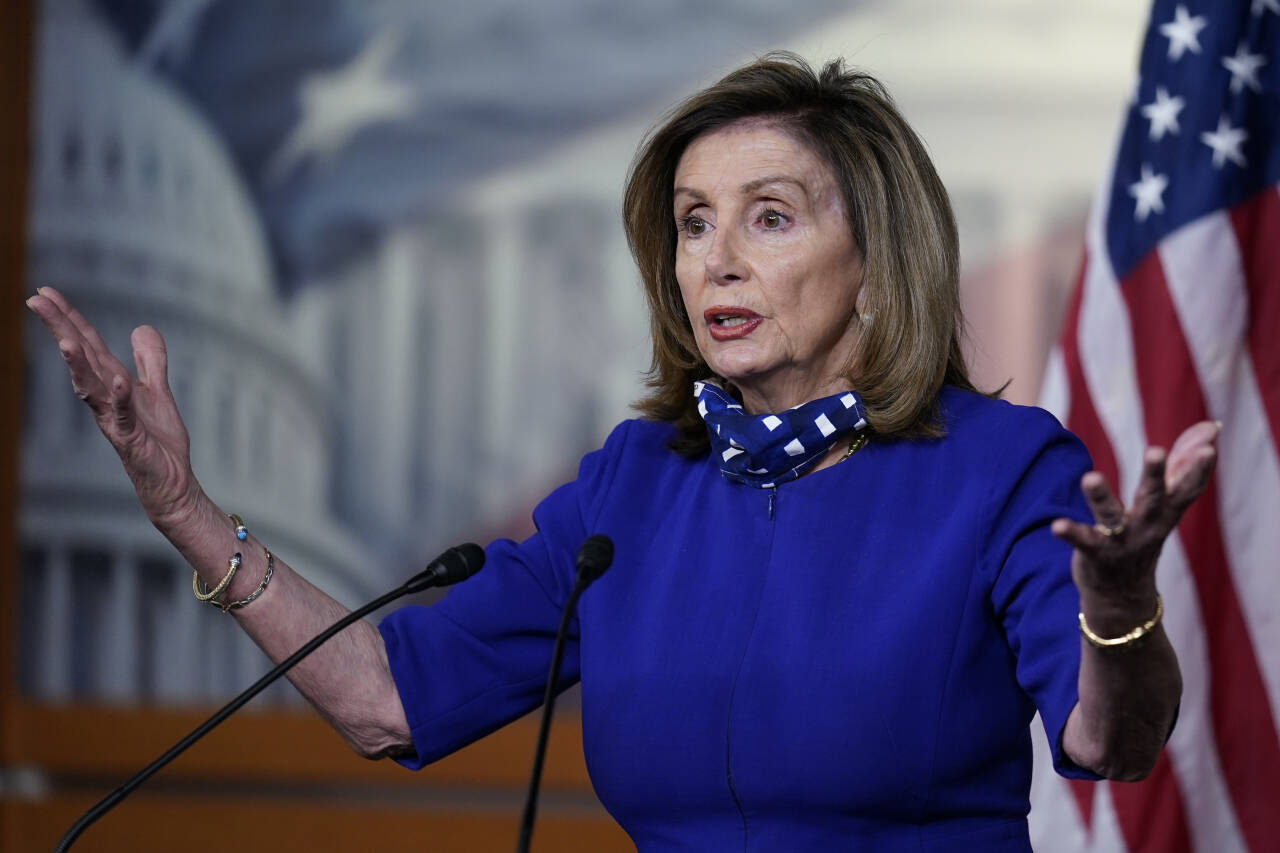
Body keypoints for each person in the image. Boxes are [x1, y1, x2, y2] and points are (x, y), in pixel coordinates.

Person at [27, 53, 1217, 851]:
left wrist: (1114, 605)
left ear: (875, 266)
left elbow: (1110, 739)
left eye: (768, 216)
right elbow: (385, 699)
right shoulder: (634, 485)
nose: (714, 259)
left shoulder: (1001, 469)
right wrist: (184, 507)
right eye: (692, 224)